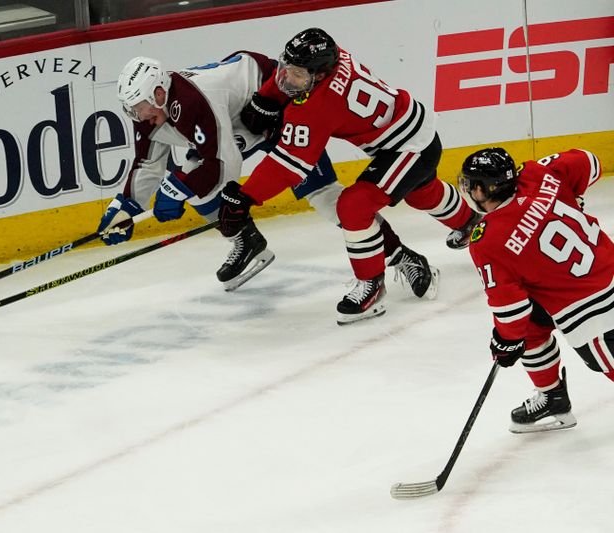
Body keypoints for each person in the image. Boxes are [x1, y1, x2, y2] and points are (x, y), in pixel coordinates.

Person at [99, 52, 438, 297]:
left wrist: (178, 190)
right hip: (235, 123)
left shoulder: (191, 102)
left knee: (325, 198)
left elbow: (221, 165)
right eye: (131, 109)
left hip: (276, 111)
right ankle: (246, 240)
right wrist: (126, 206)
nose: (137, 115)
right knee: (195, 181)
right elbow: (147, 163)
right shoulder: (153, 113)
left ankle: (402, 256)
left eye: (139, 106)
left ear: (159, 93)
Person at [217, 28, 480, 324]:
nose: (286, 78)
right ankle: (470, 222)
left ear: (318, 75)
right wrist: (267, 98)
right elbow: (298, 77)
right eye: (286, 69)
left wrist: (245, 196)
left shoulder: (318, 105)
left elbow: (289, 165)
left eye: (297, 74)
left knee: (353, 206)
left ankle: (372, 286)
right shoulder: (333, 56)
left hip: (410, 147)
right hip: (412, 131)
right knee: (420, 191)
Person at [459, 146, 611, 433]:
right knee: (530, 328)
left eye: (469, 184)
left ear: (481, 189)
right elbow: (589, 161)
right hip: (597, 271)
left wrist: (505, 342)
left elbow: (509, 306)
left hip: (592, 309)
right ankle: (553, 398)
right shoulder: (537, 173)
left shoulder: (487, 239)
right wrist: (572, 198)